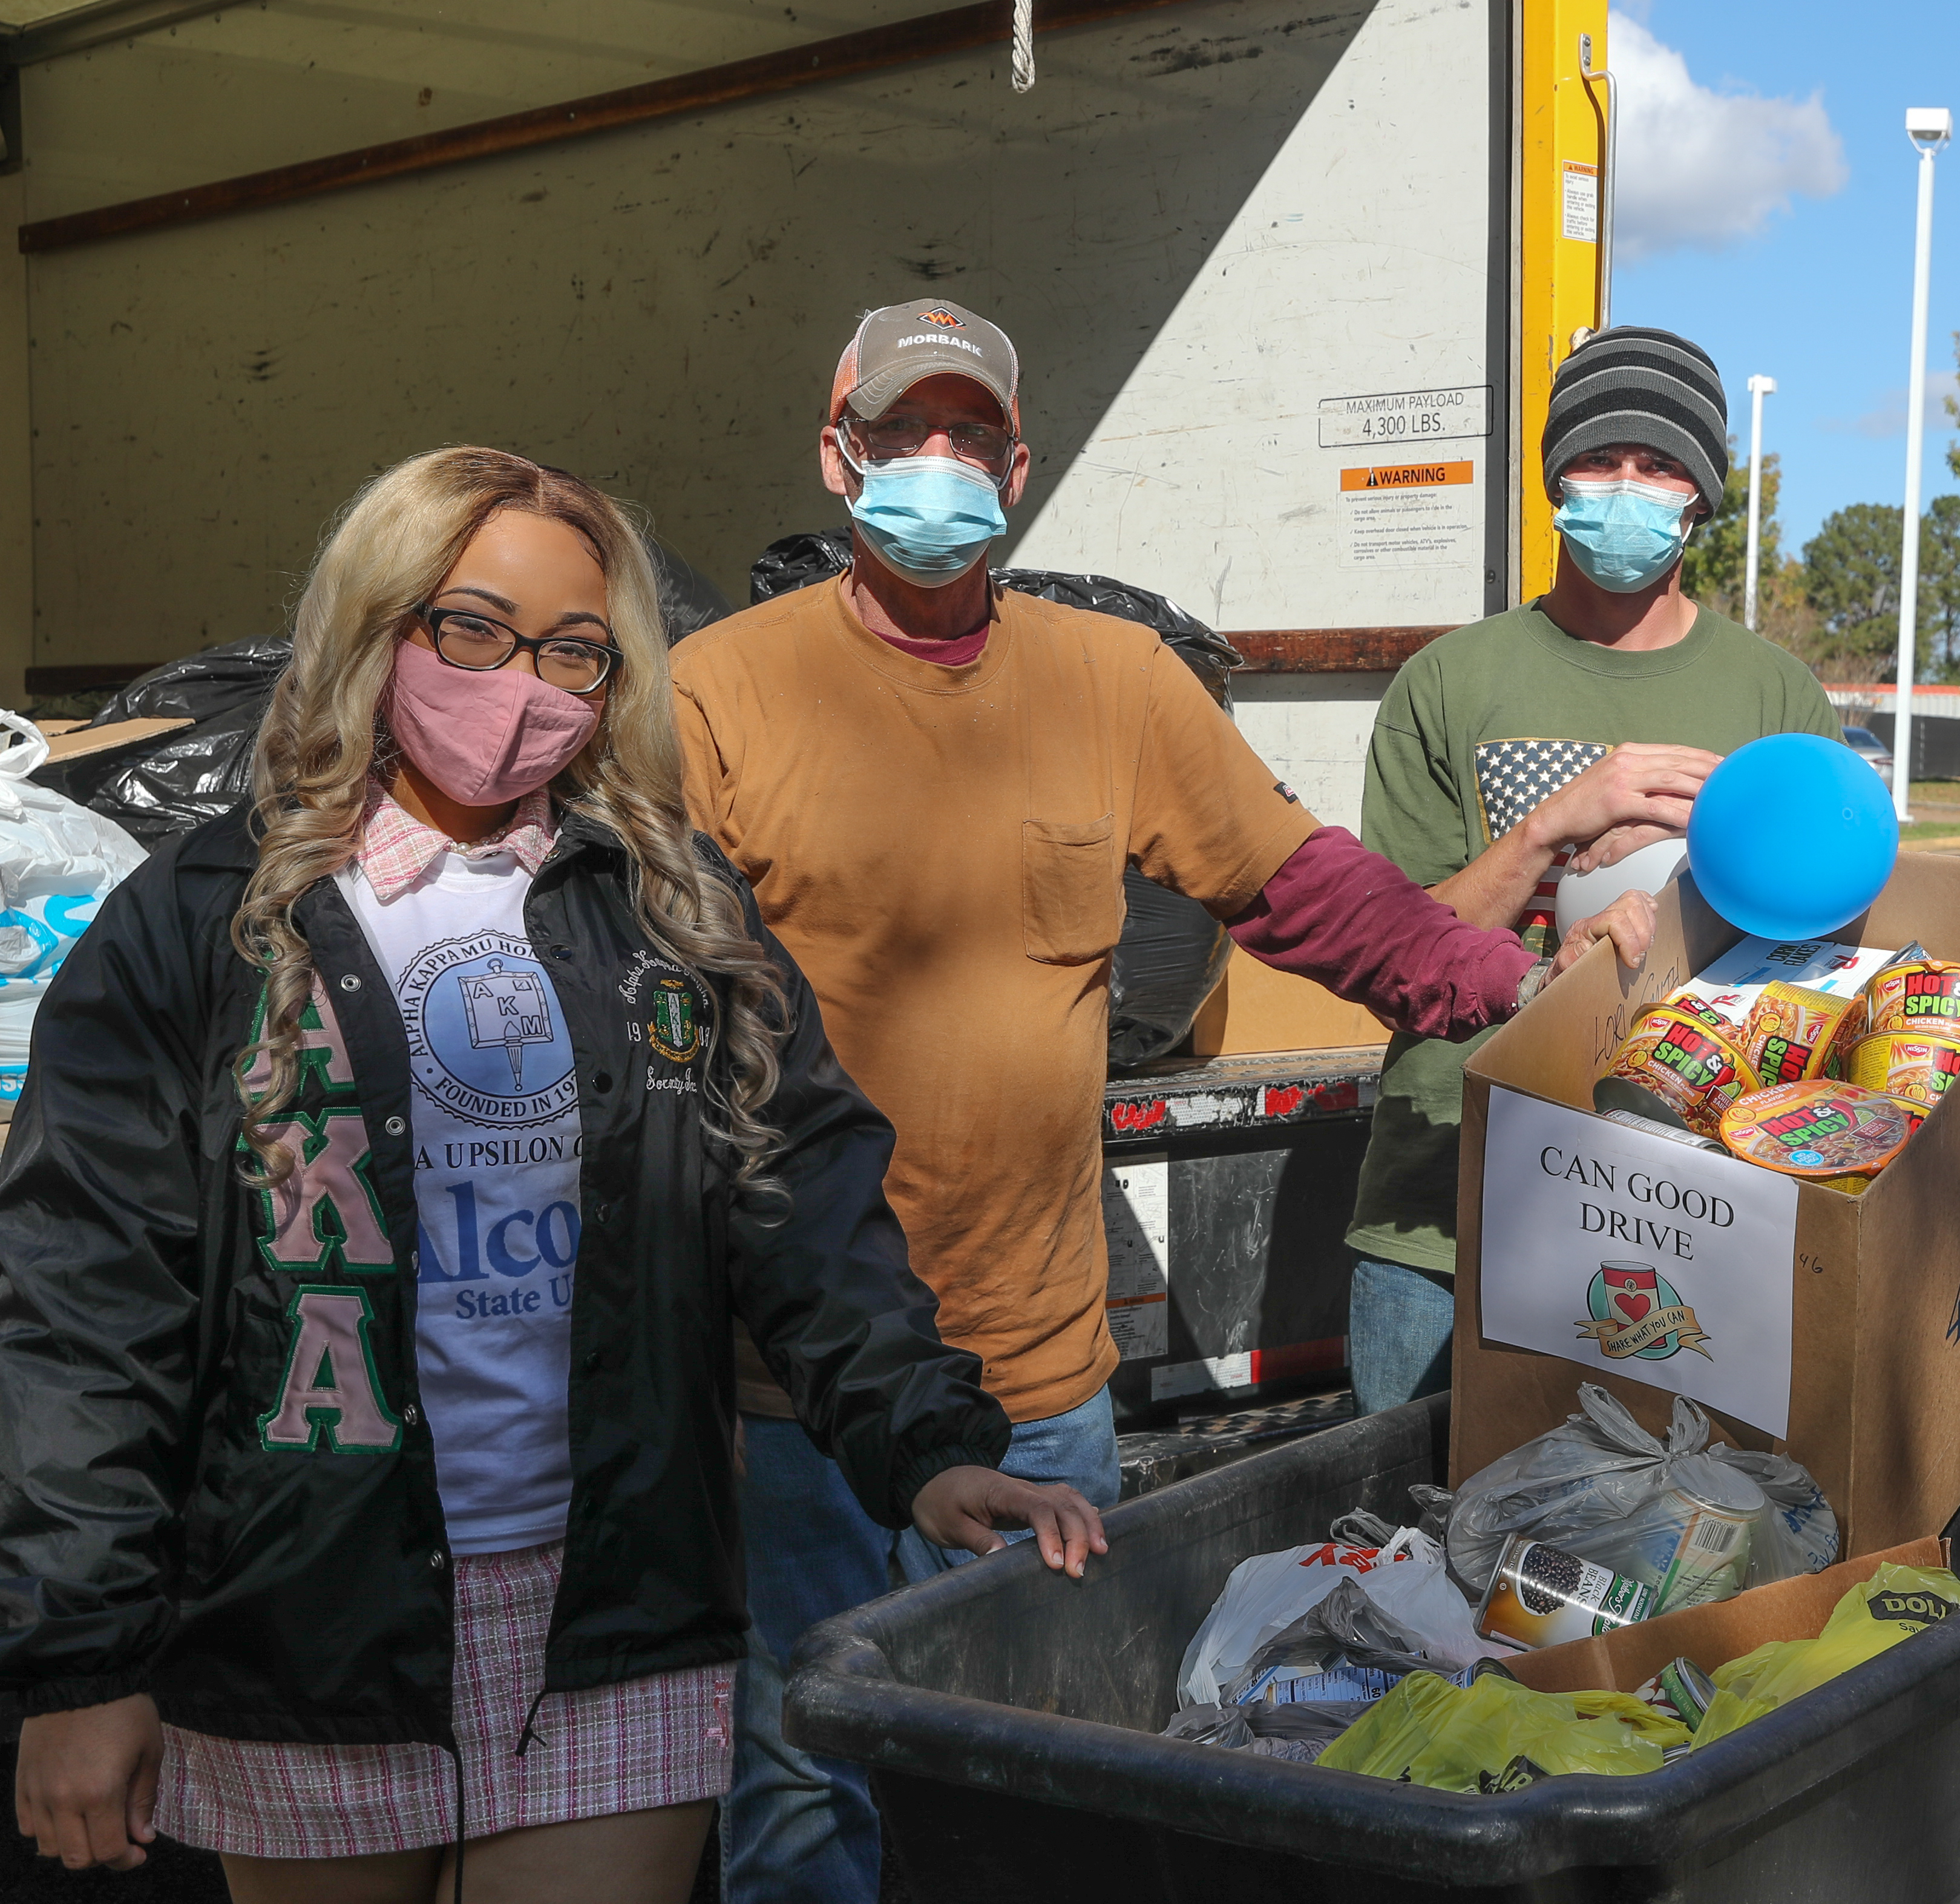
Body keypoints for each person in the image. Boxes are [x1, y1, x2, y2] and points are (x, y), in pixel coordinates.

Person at [1, 448, 1104, 1900]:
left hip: (613, 1603)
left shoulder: (671, 914)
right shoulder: (206, 926)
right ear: (378, 626)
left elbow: (801, 1198)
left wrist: (928, 1441)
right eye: (474, 627)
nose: (526, 679)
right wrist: (81, 1660)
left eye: (575, 648)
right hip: (315, 1607)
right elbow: (85, 1307)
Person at [670, 300, 1647, 1904]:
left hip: (1046, 1381)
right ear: (834, 456)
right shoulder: (715, 696)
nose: (936, 463)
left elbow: (1309, 892)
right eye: (900, 432)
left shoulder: (1112, 682)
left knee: (1036, 1785)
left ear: (1018, 463)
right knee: (802, 1793)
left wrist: (1518, 998)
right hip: (790, 1404)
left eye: (968, 436)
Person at [1343, 324, 1840, 1413]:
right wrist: (1548, 835)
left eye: (1660, 464)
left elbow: (1821, 973)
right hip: (1443, 1218)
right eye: (1600, 459)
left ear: (1702, 494)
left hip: (1688, 1218)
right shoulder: (1447, 683)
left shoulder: (1778, 705)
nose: (1628, 487)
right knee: (1394, 1559)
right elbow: (1389, 946)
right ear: (1553, 476)